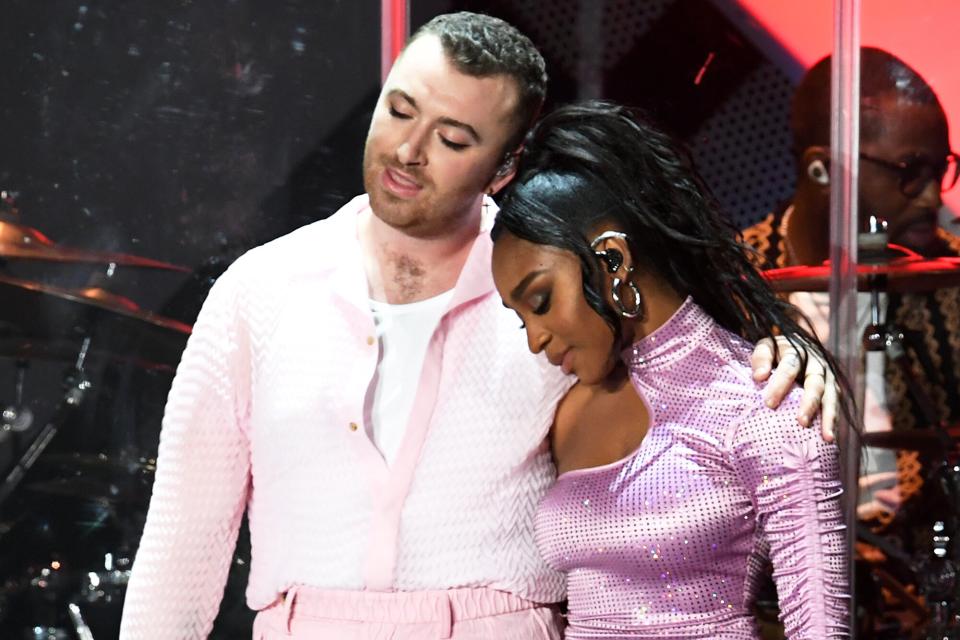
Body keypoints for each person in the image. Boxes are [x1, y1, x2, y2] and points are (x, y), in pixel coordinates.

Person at [120, 13, 834, 639]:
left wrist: (788, 354)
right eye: (399, 111)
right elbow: (183, 542)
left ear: (506, 165)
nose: (408, 150)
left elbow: (692, 377)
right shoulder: (257, 292)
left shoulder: (551, 290)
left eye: (453, 138)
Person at [490, 101, 850, 638]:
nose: (536, 338)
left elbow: (820, 626)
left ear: (612, 260)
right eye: (520, 321)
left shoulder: (763, 404)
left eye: (540, 301)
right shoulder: (566, 410)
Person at [742, 47, 960, 521]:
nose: (932, 197)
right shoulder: (735, 284)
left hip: (924, 579)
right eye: (910, 173)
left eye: (940, 170)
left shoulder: (950, 277)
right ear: (823, 170)